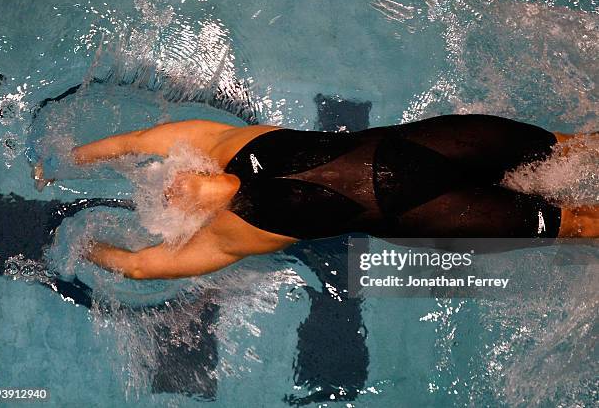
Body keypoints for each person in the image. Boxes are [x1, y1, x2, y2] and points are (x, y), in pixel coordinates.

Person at [41, 114, 597, 279]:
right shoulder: (233, 235)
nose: (174, 185)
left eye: (171, 177)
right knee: (573, 223)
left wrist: (71, 159)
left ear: (187, 167)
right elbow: (142, 267)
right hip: (420, 214)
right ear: (187, 213)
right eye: (174, 197)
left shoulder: (216, 142)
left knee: (566, 149)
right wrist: (88, 249)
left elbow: (136, 140)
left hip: (423, 145)